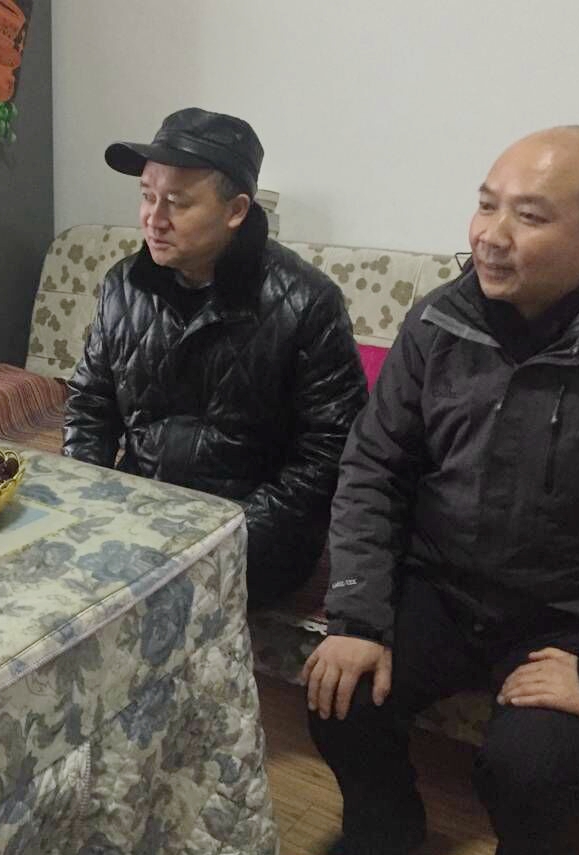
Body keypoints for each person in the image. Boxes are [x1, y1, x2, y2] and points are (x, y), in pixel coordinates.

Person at [303, 126, 579, 855]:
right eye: (486, 204)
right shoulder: (441, 317)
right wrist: (357, 615)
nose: (491, 236)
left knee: (526, 769)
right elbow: (373, 465)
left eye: (528, 216)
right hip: (445, 583)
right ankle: (385, 831)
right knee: (339, 695)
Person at [63, 108, 367, 607]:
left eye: (177, 202)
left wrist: (225, 534)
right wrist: (88, 497)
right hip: (139, 514)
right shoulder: (123, 286)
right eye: (147, 196)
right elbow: (90, 405)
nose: (154, 219)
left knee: (156, 602)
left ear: (236, 210)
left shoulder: (307, 302)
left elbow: (329, 452)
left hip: (257, 536)